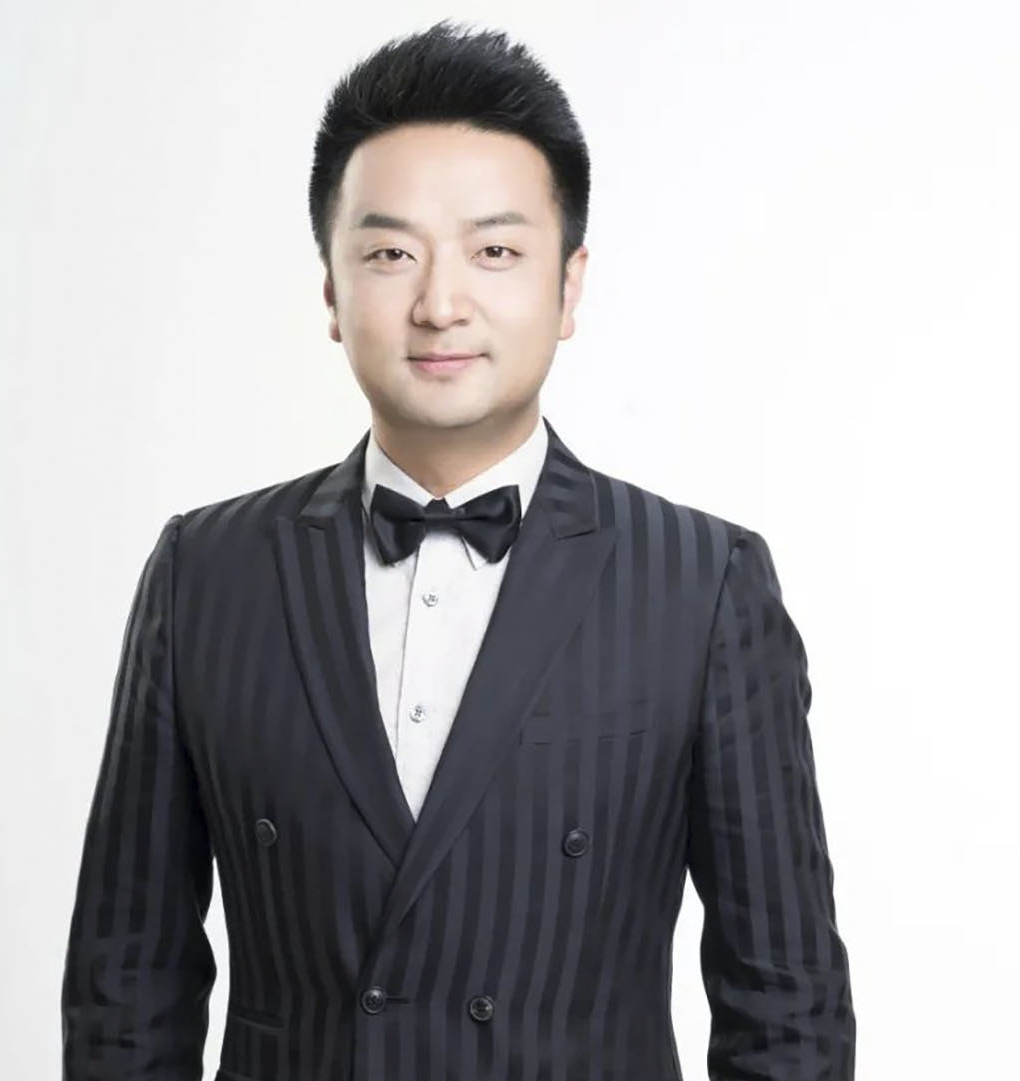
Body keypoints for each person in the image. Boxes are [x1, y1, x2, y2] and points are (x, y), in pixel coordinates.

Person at [61, 19, 855, 1081]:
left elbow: (786, 1010)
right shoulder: (205, 574)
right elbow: (125, 990)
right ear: (332, 290)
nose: (439, 304)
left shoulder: (700, 585)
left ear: (567, 286)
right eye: (390, 254)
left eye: (494, 251)